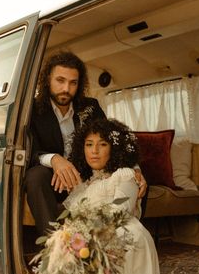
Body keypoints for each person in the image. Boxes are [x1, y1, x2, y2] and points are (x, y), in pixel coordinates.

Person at [30, 118, 160, 274]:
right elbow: (67, 215)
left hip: (123, 234)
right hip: (90, 237)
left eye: (102, 144)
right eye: (89, 144)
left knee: (92, 267)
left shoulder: (125, 174)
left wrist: (86, 236)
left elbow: (120, 211)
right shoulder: (83, 184)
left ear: (114, 148)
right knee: (64, 269)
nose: (95, 151)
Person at [25, 50, 147, 236]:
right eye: (60, 80)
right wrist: (55, 160)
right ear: (48, 79)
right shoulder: (31, 110)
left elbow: (113, 140)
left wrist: (135, 169)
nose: (66, 88)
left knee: (135, 179)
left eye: (73, 82)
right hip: (53, 181)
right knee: (35, 176)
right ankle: (53, 244)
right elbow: (27, 150)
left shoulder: (90, 106)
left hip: (87, 176)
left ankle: (122, 237)